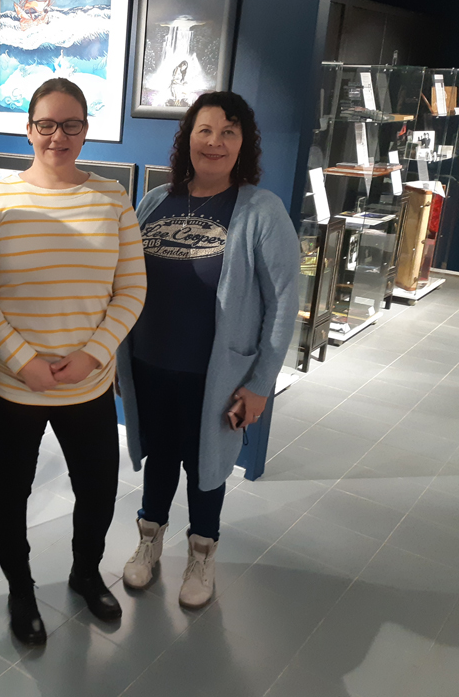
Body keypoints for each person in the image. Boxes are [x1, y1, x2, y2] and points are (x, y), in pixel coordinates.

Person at [0, 78, 146, 644]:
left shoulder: (112, 199)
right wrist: (23, 361)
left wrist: (93, 354)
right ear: (29, 129)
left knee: (98, 488)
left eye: (70, 125)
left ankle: (86, 573)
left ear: (86, 131)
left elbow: (131, 290)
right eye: (46, 124)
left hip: (87, 382)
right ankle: (20, 589)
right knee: (10, 488)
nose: (57, 136)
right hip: (11, 383)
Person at [117, 91, 300, 608]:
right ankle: (149, 541)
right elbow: (124, 281)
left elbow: (284, 302)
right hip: (150, 364)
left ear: (244, 144)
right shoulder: (154, 201)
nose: (215, 142)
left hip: (215, 375)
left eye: (229, 132)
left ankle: (201, 555)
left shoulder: (261, 211)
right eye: (205, 130)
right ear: (188, 139)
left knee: (207, 468)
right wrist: (116, 358)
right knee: (159, 457)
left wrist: (260, 384)